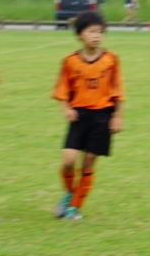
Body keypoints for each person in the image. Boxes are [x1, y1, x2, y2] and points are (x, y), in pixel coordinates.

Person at [52, 12, 124, 221]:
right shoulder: (70, 61)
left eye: (100, 32)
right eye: (91, 31)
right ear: (79, 35)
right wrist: (65, 109)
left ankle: (74, 207)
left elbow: (117, 89)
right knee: (68, 160)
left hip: (102, 116)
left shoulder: (111, 59)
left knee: (88, 163)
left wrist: (117, 116)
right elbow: (62, 89)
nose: (97, 36)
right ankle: (69, 193)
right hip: (79, 116)